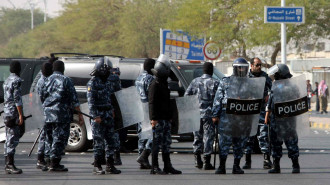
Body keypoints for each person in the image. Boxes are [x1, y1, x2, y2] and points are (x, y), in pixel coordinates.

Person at [40, 60, 84, 172]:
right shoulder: (66, 80)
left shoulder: (46, 80)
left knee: (49, 138)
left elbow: (41, 96)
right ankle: (54, 163)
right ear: (63, 69)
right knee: (59, 138)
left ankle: (47, 161)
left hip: (47, 114)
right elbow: (74, 100)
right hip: (61, 114)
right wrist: (80, 116)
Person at [212, 58, 251, 174]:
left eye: (243, 67)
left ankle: (236, 166)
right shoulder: (225, 81)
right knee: (224, 141)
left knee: (239, 142)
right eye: (239, 67)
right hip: (227, 115)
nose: (241, 69)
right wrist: (215, 114)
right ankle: (222, 166)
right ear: (235, 68)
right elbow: (218, 99)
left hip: (242, 116)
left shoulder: (250, 83)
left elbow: (255, 98)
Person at [87, 58, 121, 175]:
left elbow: (110, 98)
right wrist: (95, 116)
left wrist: (112, 110)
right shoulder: (93, 83)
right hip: (98, 116)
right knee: (98, 142)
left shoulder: (107, 81)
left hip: (108, 114)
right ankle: (97, 165)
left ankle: (110, 165)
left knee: (111, 141)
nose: (108, 73)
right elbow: (91, 102)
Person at [149, 54, 182, 175]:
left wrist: (170, 117)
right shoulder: (155, 85)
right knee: (156, 144)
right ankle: (155, 166)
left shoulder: (164, 83)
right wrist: (153, 119)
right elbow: (152, 103)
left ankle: (167, 166)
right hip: (158, 119)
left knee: (166, 143)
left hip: (166, 119)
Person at [265, 64, 300, 174]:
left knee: (276, 144)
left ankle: (277, 166)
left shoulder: (275, 87)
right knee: (290, 143)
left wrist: (267, 117)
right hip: (289, 120)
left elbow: (270, 104)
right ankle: (295, 165)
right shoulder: (293, 87)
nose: (274, 76)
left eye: (276, 74)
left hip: (279, 120)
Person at [185, 62, 219, 170]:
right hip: (209, 115)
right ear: (211, 71)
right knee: (208, 137)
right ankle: (206, 161)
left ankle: (197, 159)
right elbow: (219, 100)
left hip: (196, 113)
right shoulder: (215, 82)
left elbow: (186, 96)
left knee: (197, 136)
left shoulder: (195, 82)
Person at [243, 57, 272, 169]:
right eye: (257, 65)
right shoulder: (246, 77)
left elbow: (273, 89)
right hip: (249, 112)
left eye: (260, 65)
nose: (259, 67)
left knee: (263, 136)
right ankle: (247, 161)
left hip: (261, 111)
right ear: (251, 66)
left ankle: (266, 160)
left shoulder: (264, 76)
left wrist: (268, 96)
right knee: (248, 137)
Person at [3, 61, 24, 174]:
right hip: (13, 113)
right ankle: (10, 164)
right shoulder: (17, 81)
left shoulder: (6, 81)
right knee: (12, 138)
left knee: (8, 137)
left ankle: (8, 163)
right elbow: (17, 99)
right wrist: (20, 114)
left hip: (6, 112)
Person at [135, 58, 155, 169]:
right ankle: (144, 156)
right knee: (152, 134)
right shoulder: (151, 79)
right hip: (148, 108)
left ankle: (141, 158)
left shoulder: (138, 78)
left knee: (142, 134)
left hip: (139, 108)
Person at [36, 61, 54, 170]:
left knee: (47, 135)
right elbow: (41, 98)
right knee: (43, 136)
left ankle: (45, 158)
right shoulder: (42, 81)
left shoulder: (47, 80)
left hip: (47, 111)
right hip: (43, 111)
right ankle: (40, 159)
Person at [107, 59, 123, 166]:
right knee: (109, 134)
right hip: (109, 109)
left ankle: (115, 157)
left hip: (110, 109)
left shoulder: (113, 78)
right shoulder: (114, 78)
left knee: (111, 135)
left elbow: (119, 94)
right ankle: (112, 157)